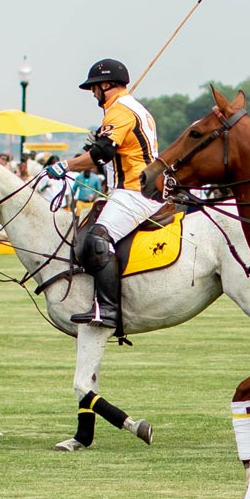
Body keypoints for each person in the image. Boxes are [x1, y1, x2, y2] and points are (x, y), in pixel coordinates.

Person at [44, 58, 161, 328]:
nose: (93, 94)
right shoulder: (131, 108)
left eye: (95, 88)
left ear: (106, 85)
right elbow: (113, 154)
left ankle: (107, 309)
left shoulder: (119, 111)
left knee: (97, 239)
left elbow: (101, 154)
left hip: (135, 190)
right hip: (137, 187)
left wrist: (67, 164)